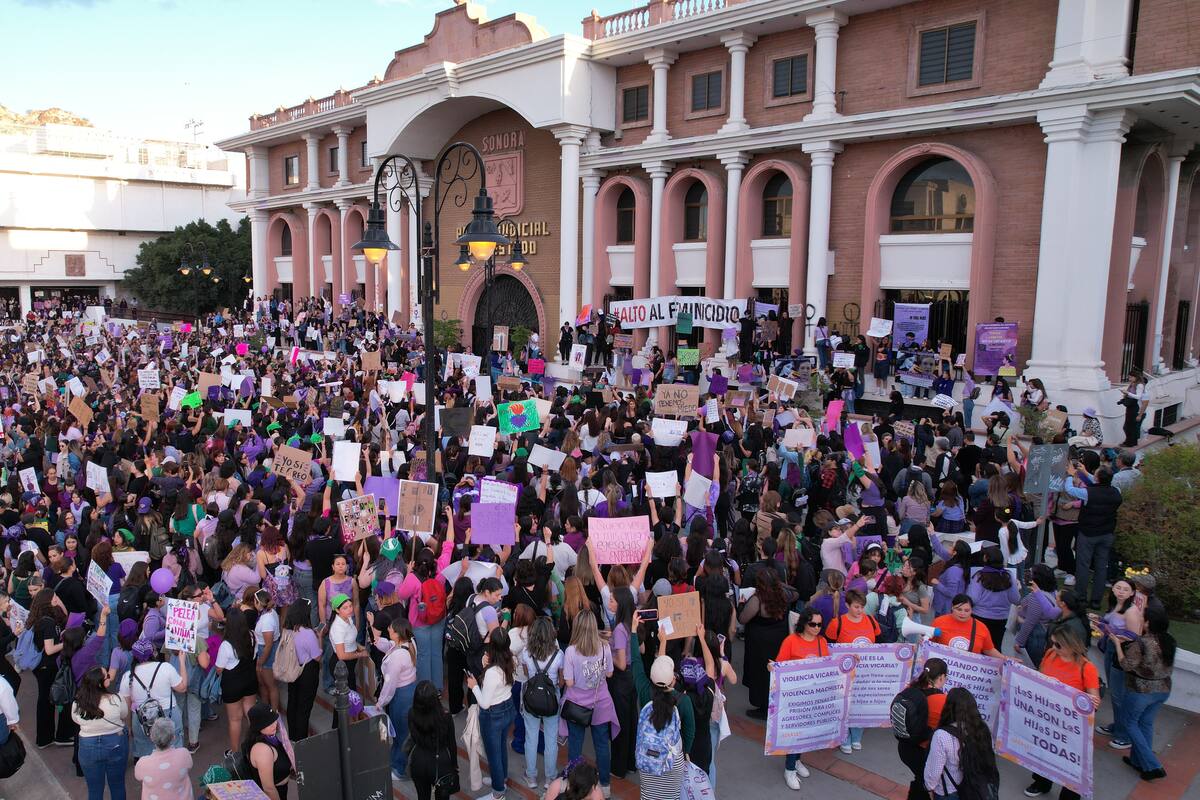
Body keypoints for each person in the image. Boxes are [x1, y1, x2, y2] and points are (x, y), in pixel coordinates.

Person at [1024, 625, 1100, 799]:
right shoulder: (1051, 654)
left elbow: (1093, 701)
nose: (1054, 648)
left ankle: (1070, 795)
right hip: (1046, 716)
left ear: (1072, 645)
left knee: (1071, 762)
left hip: (1070, 724)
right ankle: (1042, 782)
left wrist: (1091, 701)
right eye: (1053, 643)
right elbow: (1041, 676)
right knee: (1043, 750)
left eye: (1058, 645)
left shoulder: (1087, 668)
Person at [1111, 607, 1174, 782]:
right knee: (1145, 724)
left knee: (1130, 723)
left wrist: (1117, 644)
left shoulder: (1142, 643)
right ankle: (1138, 761)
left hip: (1141, 691)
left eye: (1143, 619)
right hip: (1163, 690)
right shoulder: (1169, 640)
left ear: (1148, 623)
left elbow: (1126, 665)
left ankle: (1153, 765)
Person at [561, 610, 616, 797]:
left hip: (577, 705)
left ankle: (574, 784)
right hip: (600, 702)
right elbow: (609, 674)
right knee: (601, 744)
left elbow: (568, 682)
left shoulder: (570, 651)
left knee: (575, 744)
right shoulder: (604, 648)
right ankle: (605, 785)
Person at [775, 606, 829, 788]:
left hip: (813, 697)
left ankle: (797, 760)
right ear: (804, 623)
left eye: (820, 625)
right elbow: (779, 666)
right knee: (795, 734)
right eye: (813, 624)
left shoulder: (822, 642)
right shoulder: (791, 641)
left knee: (805, 733)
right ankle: (789, 769)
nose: (816, 628)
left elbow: (827, 667)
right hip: (794, 697)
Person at [924, 688, 999, 800]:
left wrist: (929, 788)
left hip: (949, 792)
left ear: (948, 707)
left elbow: (934, 772)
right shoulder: (982, 730)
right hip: (975, 790)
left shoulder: (941, 736)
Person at [469, 626, 517, 800]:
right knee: (501, 747)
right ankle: (502, 778)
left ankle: (498, 793)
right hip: (508, 707)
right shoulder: (512, 660)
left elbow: (484, 702)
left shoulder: (492, 673)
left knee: (493, 753)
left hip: (492, 714)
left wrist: (474, 686)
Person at [73, 665, 130, 800]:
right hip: (115, 743)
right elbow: (124, 714)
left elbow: (76, 719)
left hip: (88, 746)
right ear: (101, 683)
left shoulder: (78, 702)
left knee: (94, 790)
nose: (109, 677)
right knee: (117, 785)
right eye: (107, 676)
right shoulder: (116, 699)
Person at [520, 616, 562, 790]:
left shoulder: (526, 652)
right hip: (552, 698)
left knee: (531, 737)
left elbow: (526, 673)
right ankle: (550, 778)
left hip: (531, 698)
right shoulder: (559, 654)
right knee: (551, 739)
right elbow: (561, 679)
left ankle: (531, 776)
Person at [897, 658, 949, 800]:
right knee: (923, 782)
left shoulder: (910, 689)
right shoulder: (943, 701)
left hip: (905, 746)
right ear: (941, 677)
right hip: (924, 752)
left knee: (920, 779)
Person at [636, 656, 686, 800]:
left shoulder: (646, 708)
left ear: (651, 681)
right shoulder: (676, 709)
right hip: (671, 764)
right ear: (673, 681)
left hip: (646, 761)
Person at [376, 617, 418, 782]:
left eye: (391, 629)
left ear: (398, 634)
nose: (388, 629)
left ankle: (400, 769)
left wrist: (381, 702)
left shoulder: (398, 657)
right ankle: (395, 761)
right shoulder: (409, 643)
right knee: (403, 731)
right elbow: (390, 646)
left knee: (401, 733)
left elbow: (390, 683)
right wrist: (380, 642)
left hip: (400, 696)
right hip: (408, 691)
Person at [215, 607, 259, 752]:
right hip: (250, 679)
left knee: (235, 720)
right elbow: (254, 657)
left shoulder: (226, 645)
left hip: (232, 684)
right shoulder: (252, 636)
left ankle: (234, 752)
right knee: (251, 715)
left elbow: (219, 669)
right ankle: (257, 744)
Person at [407, 680, 458, 800]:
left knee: (422, 797)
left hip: (419, 761)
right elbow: (452, 744)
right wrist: (454, 765)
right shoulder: (445, 716)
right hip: (441, 763)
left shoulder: (411, 714)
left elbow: (413, 737)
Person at [281, 600, 321, 741]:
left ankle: (292, 737)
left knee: (293, 702)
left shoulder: (287, 630)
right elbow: (317, 657)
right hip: (307, 671)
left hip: (292, 669)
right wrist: (320, 638)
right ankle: (302, 740)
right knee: (304, 708)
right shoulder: (308, 633)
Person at [966, 547, 1019, 651]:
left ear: (986, 558)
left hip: (980, 617)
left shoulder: (979, 576)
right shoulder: (1008, 576)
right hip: (1001, 619)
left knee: (978, 646)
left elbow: (973, 599)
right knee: (995, 647)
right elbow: (1015, 599)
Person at [133, 718, 193, 800]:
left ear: (151, 738)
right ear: (173, 737)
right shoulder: (184, 754)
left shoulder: (143, 763)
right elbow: (190, 765)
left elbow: (138, 776)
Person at [243, 702, 293, 800]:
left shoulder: (270, 737)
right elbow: (268, 789)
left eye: (274, 720)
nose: (274, 725)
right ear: (258, 727)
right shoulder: (262, 750)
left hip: (281, 791)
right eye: (268, 724)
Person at [931, 596, 1003, 658]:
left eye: (967, 610)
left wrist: (1005, 659)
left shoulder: (981, 627)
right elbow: (929, 643)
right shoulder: (939, 622)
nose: (962, 613)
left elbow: (989, 649)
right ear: (952, 607)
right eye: (959, 609)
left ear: (972, 610)